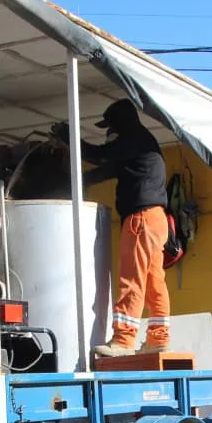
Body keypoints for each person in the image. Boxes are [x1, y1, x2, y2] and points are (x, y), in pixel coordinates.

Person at [52, 99, 170, 358]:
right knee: (153, 282)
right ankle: (158, 339)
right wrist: (77, 181)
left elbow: (99, 155)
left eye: (110, 127)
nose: (109, 134)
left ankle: (123, 340)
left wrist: (67, 136)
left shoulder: (132, 139)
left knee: (131, 280)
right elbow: (109, 169)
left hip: (140, 218)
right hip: (156, 219)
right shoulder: (141, 144)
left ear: (119, 123)